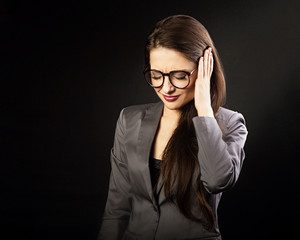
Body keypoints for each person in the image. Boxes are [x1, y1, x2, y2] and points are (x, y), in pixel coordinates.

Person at [98, 14, 248, 240]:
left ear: (204, 70)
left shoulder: (230, 124)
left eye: (179, 76)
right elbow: (116, 209)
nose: (166, 88)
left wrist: (204, 109)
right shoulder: (129, 120)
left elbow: (218, 180)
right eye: (156, 76)